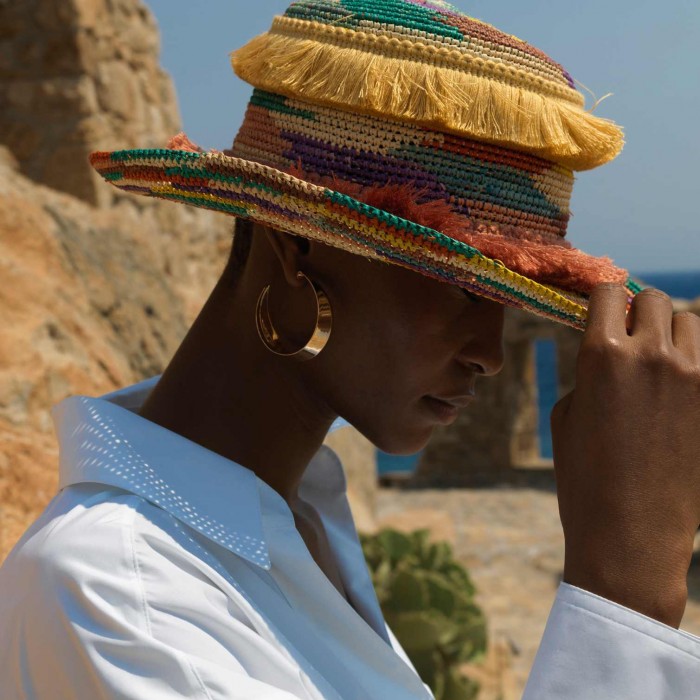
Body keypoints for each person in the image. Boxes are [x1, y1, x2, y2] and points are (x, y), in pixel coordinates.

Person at [2, 0, 699, 698]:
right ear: (293, 247)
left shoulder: (295, 517)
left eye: (510, 299)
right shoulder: (117, 596)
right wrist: (623, 591)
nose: (491, 351)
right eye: (459, 286)